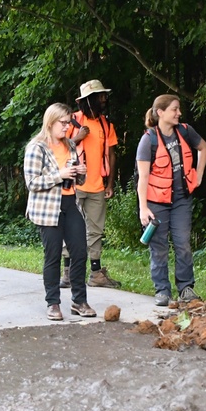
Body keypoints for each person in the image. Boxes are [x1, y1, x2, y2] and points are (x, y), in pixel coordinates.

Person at [24, 103, 97, 321]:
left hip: (70, 203)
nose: (67, 127)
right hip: (47, 208)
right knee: (53, 255)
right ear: (50, 122)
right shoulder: (36, 148)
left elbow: (75, 179)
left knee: (80, 251)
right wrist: (60, 173)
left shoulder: (71, 146)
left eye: (69, 123)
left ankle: (79, 300)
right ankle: (53, 303)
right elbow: (32, 182)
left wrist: (80, 173)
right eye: (63, 123)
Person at [135, 94, 206, 307]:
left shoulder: (185, 131)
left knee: (183, 243)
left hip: (181, 200)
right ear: (161, 113)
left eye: (178, 109)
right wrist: (143, 209)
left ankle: (186, 288)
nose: (179, 113)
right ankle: (162, 291)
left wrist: (199, 174)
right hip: (156, 202)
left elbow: (203, 148)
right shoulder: (148, 140)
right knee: (158, 247)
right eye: (174, 109)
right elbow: (143, 179)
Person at [59, 79, 121, 289]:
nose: (104, 99)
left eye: (104, 95)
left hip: (97, 186)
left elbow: (112, 155)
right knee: (70, 229)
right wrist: (78, 137)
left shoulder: (106, 124)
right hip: (74, 186)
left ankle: (95, 273)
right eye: (100, 96)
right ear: (88, 100)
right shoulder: (71, 121)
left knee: (95, 230)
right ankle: (67, 273)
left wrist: (110, 183)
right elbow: (58, 148)